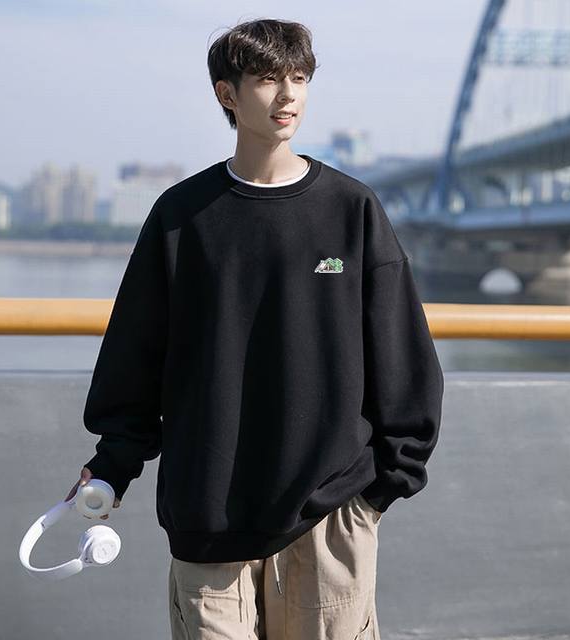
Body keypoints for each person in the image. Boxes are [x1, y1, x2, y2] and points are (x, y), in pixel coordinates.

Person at [65, 17, 444, 640]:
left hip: (329, 516)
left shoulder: (351, 209)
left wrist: (378, 492)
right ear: (227, 94)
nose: (288, 95)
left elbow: (403, 359)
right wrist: (112, 464)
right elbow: (135, 358)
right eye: (268, 79)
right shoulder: (182, 216)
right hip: (207, 516)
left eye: (300, 78)